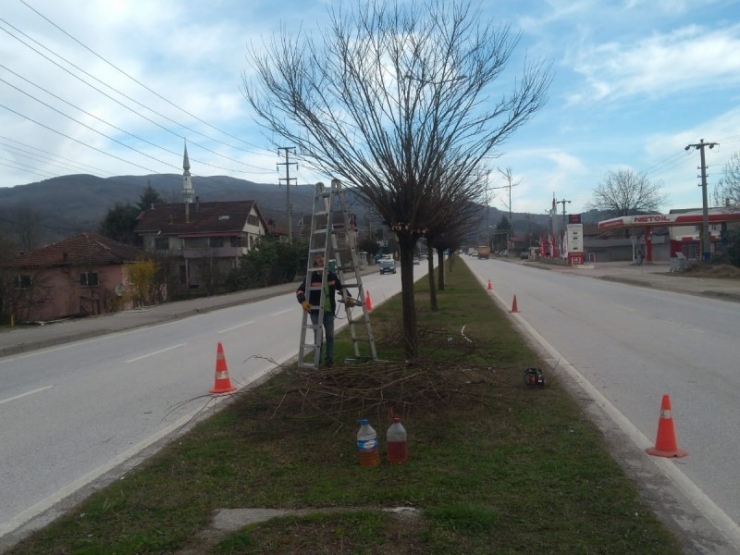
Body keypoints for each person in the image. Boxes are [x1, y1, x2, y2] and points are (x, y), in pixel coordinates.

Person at [296, 254, 353, 368]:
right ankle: (318, 361)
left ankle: (329, 361)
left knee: (330, 337)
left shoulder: (331, 276)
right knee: (318, 338)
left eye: (323, 259)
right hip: (316, 312)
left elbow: (340, 287)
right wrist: (303, 301)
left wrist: (348, 297)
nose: (321, 261)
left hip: (328, 311)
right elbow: (300, 290)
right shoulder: (311, 277)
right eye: (319, 260)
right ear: (316, 264)